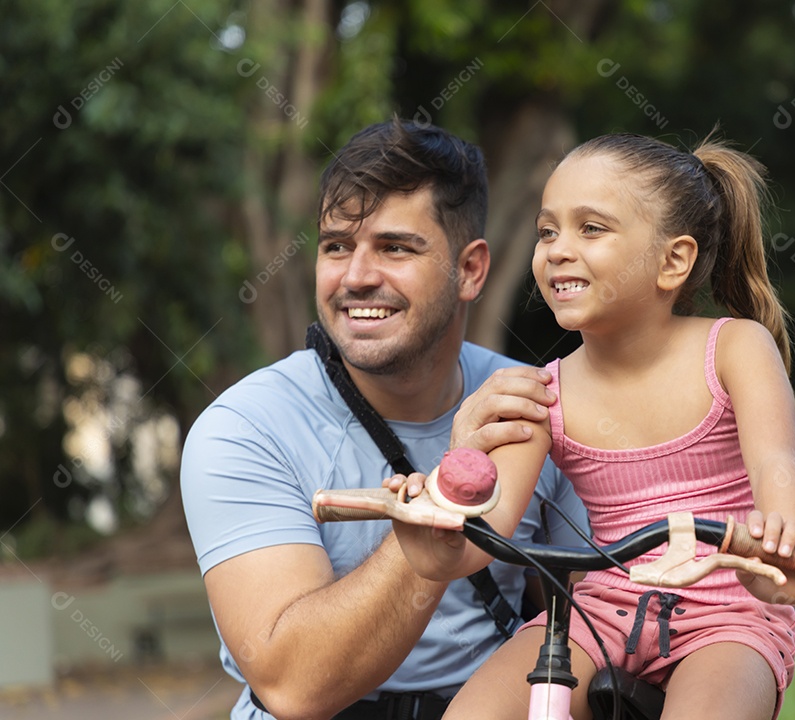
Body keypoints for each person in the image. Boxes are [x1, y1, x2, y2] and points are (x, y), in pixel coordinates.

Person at [391, 132, 795, 720]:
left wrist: (783, 539)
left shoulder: (735, 349)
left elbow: (778, 466)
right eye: (547, 231)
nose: (558, 250)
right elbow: (485, 532)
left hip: (730, 611)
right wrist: (433, 531)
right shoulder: (542, 392)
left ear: (673, 261)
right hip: (601, 610)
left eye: (591, 229)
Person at [180, 118, 589, 720]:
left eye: (395, 248)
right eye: (336, 246)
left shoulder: (537, 404)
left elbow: (594, 618)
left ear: (470, 270)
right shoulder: (246, 429)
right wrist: (449, 492)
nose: (356, 276)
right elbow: (294, 686)